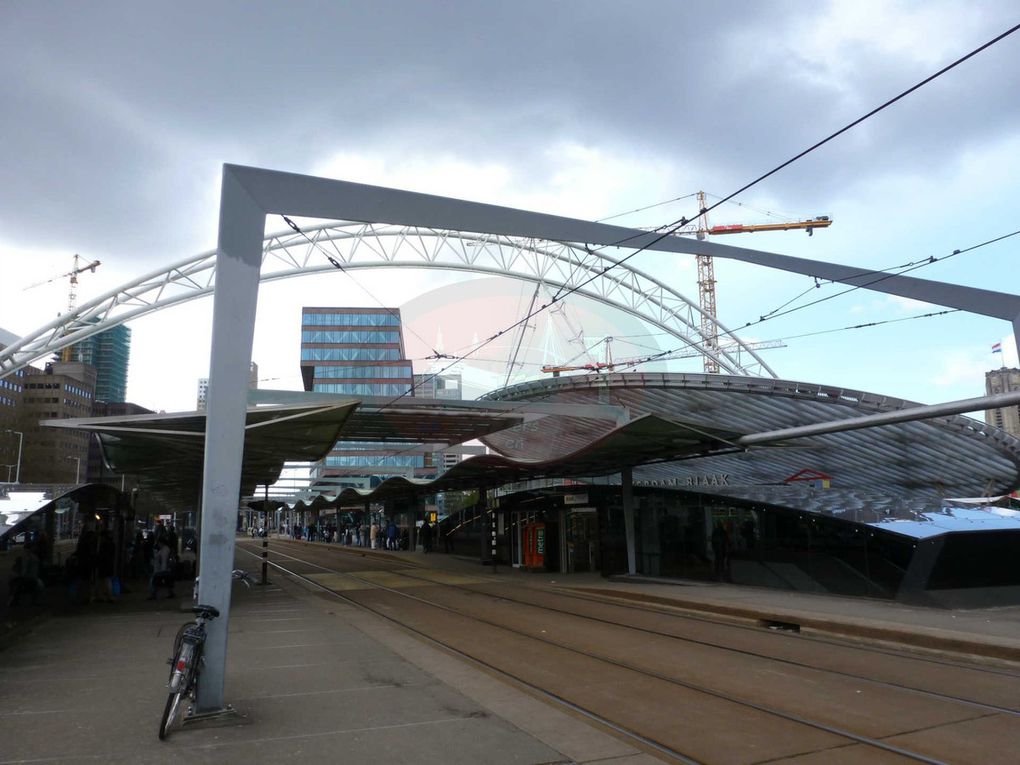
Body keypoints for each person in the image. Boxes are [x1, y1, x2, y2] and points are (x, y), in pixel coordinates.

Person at [96, 530, 117, 603]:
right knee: (107, 581)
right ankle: (108, 596)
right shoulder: (112, 544)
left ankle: (102, 596)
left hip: (103, 565)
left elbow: (101, 555)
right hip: (109, 565)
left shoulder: (103, 544)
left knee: (103, 581)